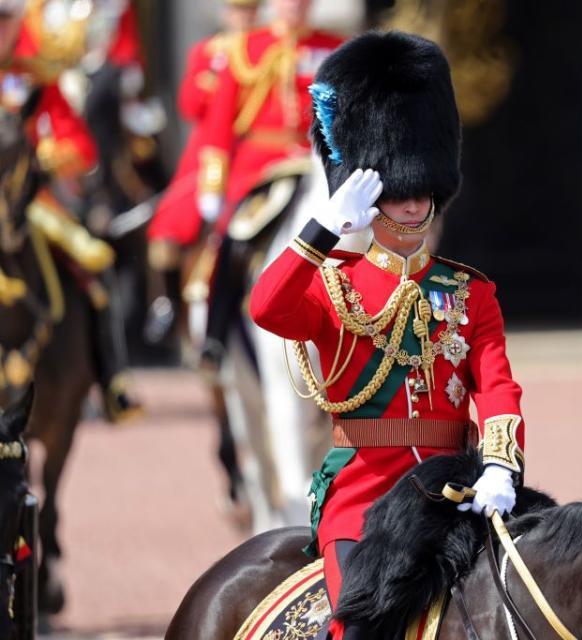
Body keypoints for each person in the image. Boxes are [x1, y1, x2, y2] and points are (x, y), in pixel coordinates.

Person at [248, 31, 524, 638]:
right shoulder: (334, 285)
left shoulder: (471, 293)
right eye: (397, 192)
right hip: (366, 498)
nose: (410, 204)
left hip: (458, 486)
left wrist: (502, 466)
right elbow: (266, 307)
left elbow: (498, 388)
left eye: (420, 190)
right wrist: (321, 230)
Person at [0, 0, 141, 421]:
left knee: (94, 267)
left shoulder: (33, 78)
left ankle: (112, 378)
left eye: (5, 19)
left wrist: (40, 159)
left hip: (31, 202)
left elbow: (79, 144)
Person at [192, 0, 343, 367]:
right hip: (260, 168)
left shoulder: (334, 48)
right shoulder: (245, 47)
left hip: (319, 162)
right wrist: (214, 184)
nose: (294, 6)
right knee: (236, 238)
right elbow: (219, 123)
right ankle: (216, 335)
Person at [143, 0, 262, 343]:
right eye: (239, 11)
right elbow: (189, 104)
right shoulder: (208, 52)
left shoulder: (265, 50)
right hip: (206, 151)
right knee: (167, 228)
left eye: (250, 11)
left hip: (247, 149)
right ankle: (166, 303)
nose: (244, 18)